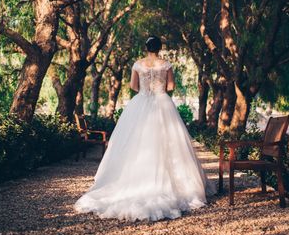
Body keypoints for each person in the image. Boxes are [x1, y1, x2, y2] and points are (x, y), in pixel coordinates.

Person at [74, 35, 213, 221]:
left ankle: (133, 179)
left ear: (146, 47)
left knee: (135, 143)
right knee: (168, 142)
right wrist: (160, 89)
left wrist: (145, 90)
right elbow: (170, 86)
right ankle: (177, 186)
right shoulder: (166, 64)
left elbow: (133, 86)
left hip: (140, 102)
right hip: (162, 102)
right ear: (159, 48)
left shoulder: (138, 64)